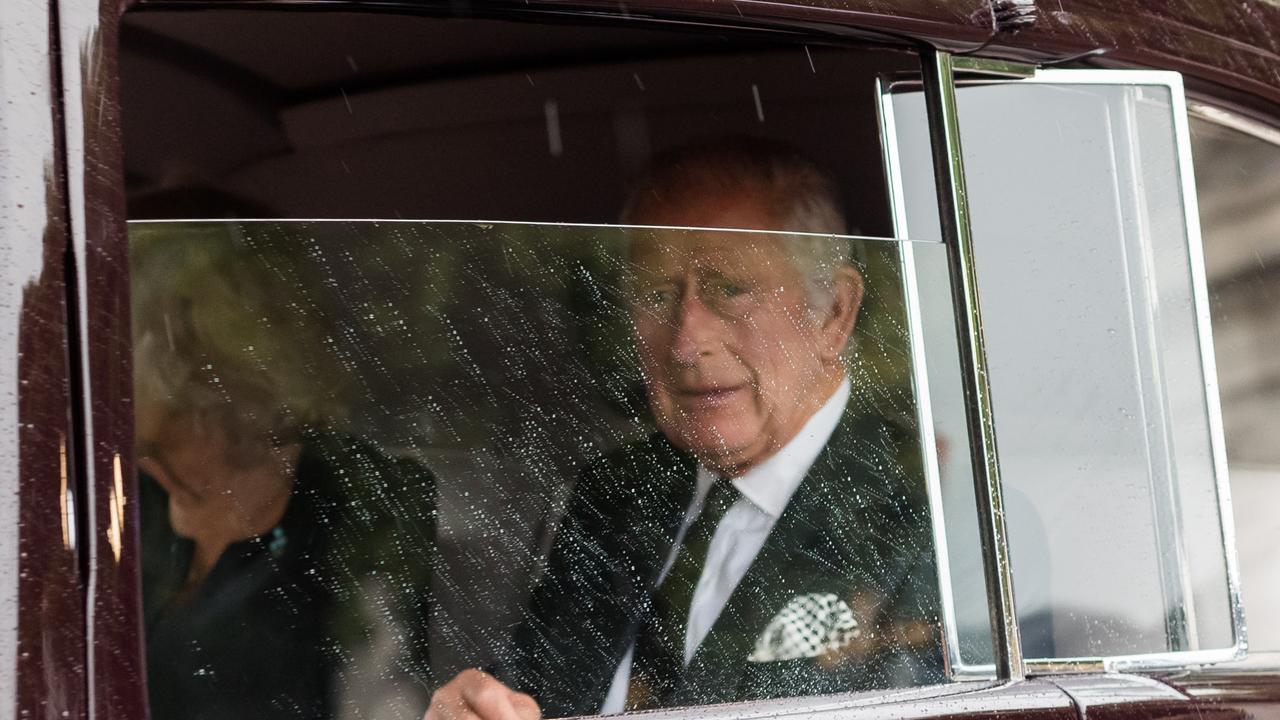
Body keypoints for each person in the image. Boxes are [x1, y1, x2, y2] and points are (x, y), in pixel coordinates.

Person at [426, 137, 943, 720]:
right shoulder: (615, 490)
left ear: (834, 313)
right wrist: (480, 704)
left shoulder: (942, 522)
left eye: (730, 289)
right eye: (657, 294)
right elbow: (538, 681)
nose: (686, 341)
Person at [133, 233, 437, 720]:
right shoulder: (121, 497)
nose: (138, 455)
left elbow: (384, 696)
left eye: (166, 436)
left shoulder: (367, 501)